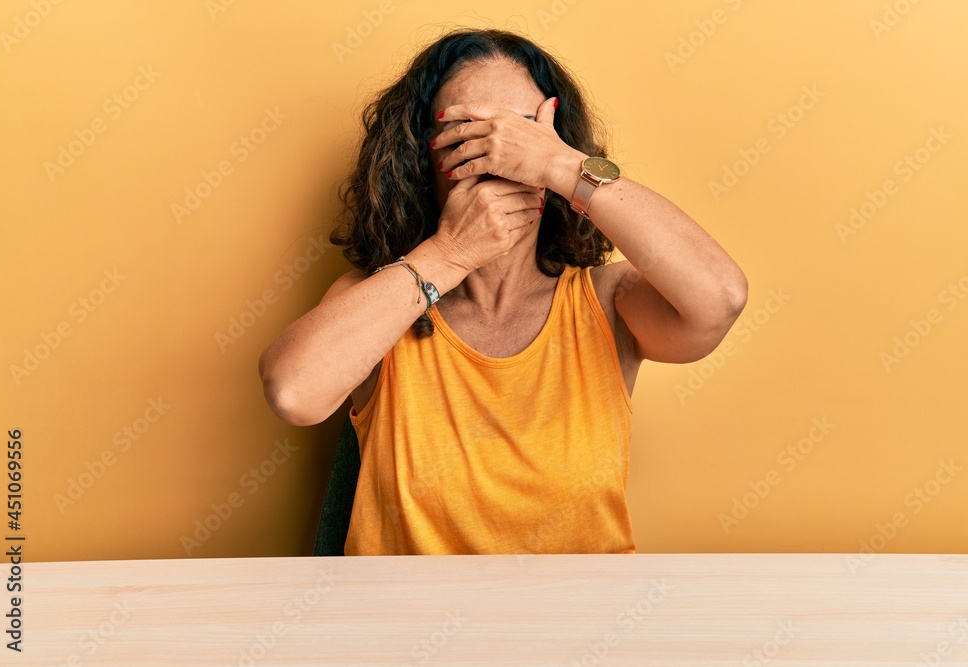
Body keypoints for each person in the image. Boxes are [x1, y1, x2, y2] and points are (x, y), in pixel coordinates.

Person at [258, 28, 748, 555]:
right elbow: (293, 392)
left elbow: (719, 297)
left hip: (582, 629)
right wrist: (448, 254)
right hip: (411, 630)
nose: (498, 156)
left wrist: (559, 167)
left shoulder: (609, 302)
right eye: (468, 131)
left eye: (520, 133)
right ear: (421, 158)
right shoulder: (379, 301)